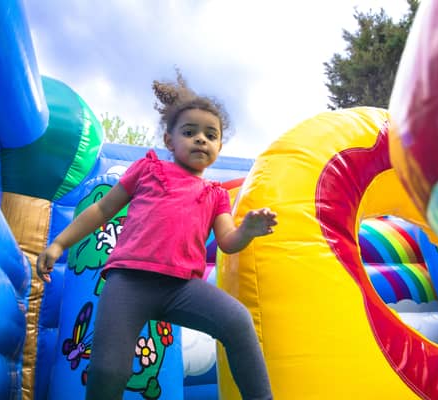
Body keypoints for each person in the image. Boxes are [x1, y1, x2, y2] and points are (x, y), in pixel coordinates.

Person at [36, 70, 276, 400]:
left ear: (219, 145)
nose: (201, 140)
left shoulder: (215, 194)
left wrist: (247, 231)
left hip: (182, 288)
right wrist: (60, 243)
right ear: (169, 140)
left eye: (211, 135)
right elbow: (102, 210)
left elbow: (227, 242)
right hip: (129, 284)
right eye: (190, 132)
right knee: (109, 371)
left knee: (237, 320)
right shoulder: (149, 169)